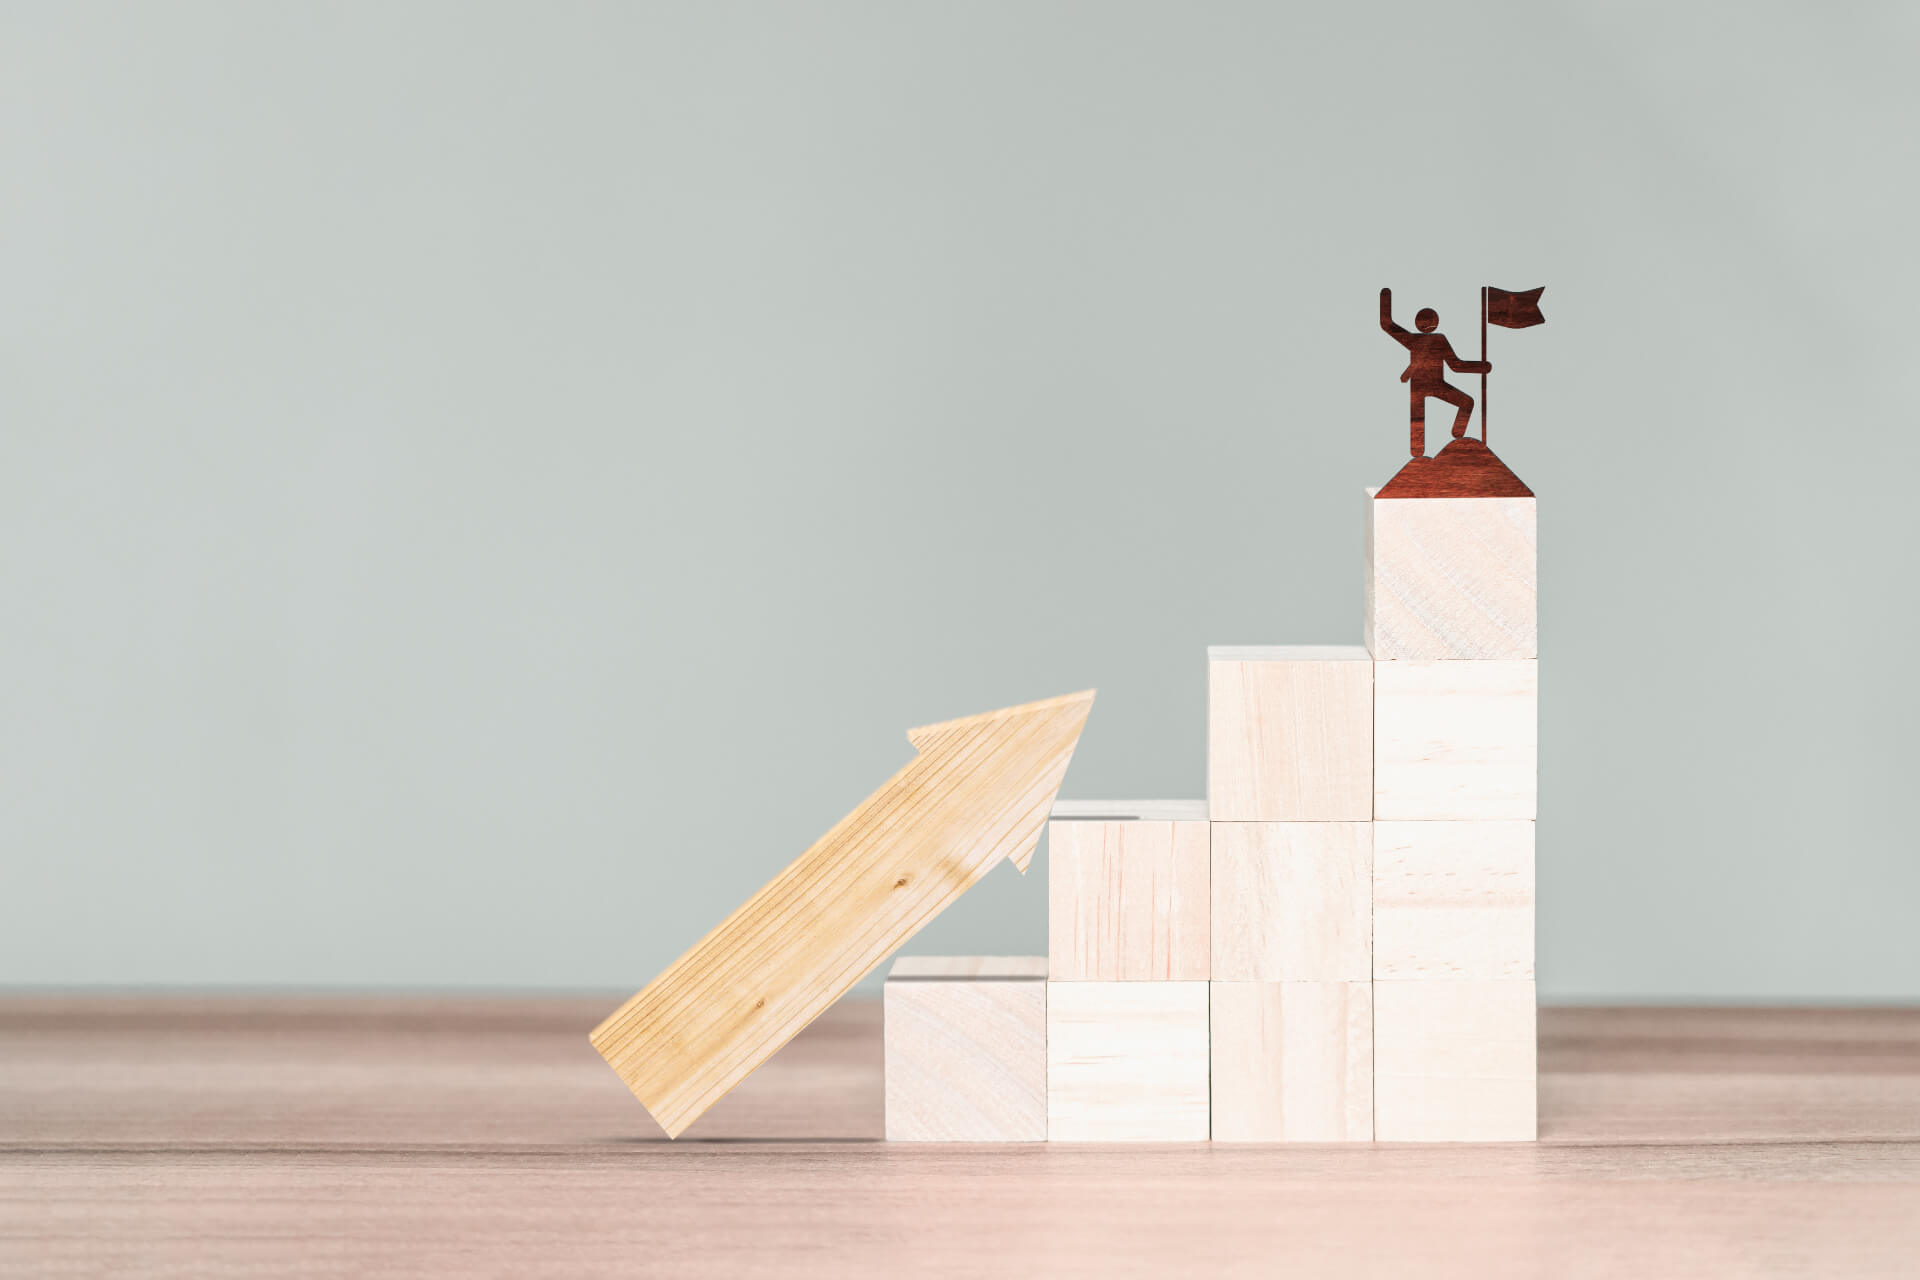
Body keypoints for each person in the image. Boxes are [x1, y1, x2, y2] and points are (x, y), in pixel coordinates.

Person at [1380, 288, 1491, 458]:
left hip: (1425, 385)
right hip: (1428, 385)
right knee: (1465, 403)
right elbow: (1457, 365)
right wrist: (1481, 367)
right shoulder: (1428, 339)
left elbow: (1455, 365)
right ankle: (1443, 441)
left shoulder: (1426, 339)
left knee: (1464, 403)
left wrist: (1481, 367)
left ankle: (1454, 437)